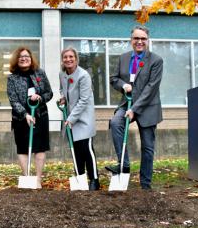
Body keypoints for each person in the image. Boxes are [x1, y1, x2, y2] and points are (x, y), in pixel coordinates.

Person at [105, 25, 163, 190]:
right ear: (131, 40)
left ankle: (145, 185)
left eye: (143, 39)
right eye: (136, 38)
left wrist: (134, 110)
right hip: (126, 103)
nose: (139, 42)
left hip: (147, 107)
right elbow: (114, 78)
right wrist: (123, 85)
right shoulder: (123, 58)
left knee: (147, 147)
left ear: (147, 40)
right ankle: (124, 164)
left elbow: (151, 88)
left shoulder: (156, 60)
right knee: (116, 122)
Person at [7, 47, 53, 188]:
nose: (24, 58)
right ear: (16, 59)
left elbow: (49, 93)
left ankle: (38, 180)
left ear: (31, 58)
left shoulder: (40, 73)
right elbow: (13, 100)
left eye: (26, 56)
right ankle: (27, 178)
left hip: (40, 116)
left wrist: (39, 98)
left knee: (39, 148)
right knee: (22, 148)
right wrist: (25, 114)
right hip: (21, 119)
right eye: (20, 56)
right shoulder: (12, 78)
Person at [59, 47, 100, 190]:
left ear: (76, 59)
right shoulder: (62, 75)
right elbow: (63, 90)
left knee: (87, 150)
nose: (68, 59)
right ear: (62, 60)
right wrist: (63, 98)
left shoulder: (83, 76)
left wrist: (71, 118)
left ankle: (94, 180)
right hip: (71, 118)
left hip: (83, 119)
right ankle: (80, 178)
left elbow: (83, 100)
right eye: (65, 57)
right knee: (76, 150)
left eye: (71, 57)